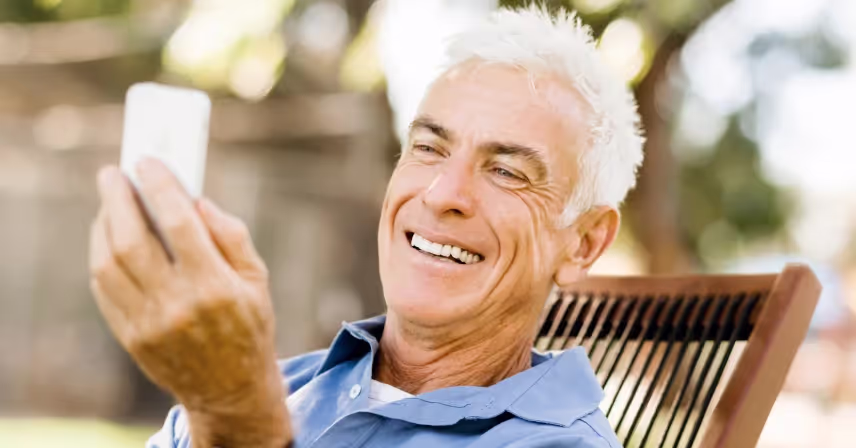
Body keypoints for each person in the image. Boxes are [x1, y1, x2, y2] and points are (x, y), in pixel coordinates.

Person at [89, 5, 643, 448]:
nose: (443, 193)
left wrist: (236, 417)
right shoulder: (278, 386)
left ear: (584, 243)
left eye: (505, 171)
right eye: (428, 147)